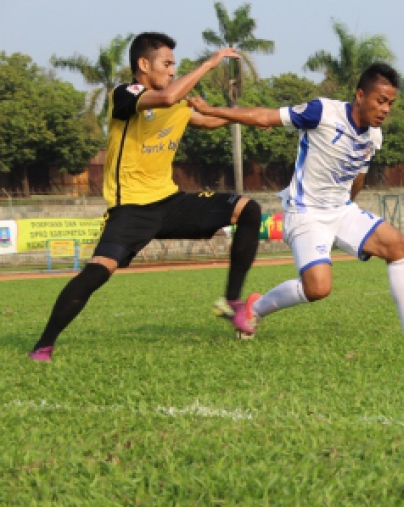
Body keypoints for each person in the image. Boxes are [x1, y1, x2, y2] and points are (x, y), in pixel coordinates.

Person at [29, 32, 262, 362]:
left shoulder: (176, 101)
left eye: (174, 66)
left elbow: (206, 120)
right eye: (167, 64)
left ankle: (232, 302)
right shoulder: (126, 95)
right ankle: (43, 346)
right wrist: (209, 64)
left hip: (170, 202)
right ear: (143, 64)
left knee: (247, 208)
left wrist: (248, 116)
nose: (171, 71)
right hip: (132, 210)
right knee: (97, 272)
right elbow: (166, 98)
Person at [189, 63, 404, 336]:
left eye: (391, 103)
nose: (386, 109)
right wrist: (212, 111)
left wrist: (345, 213)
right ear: (361, 95)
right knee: (318, 288)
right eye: (381, 101)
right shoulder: (323, 112)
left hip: (341, 211)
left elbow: (359, 178)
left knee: (398, 245)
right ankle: (254, 309)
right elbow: (264, 117)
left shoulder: (374, 136)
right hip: (306, 213)